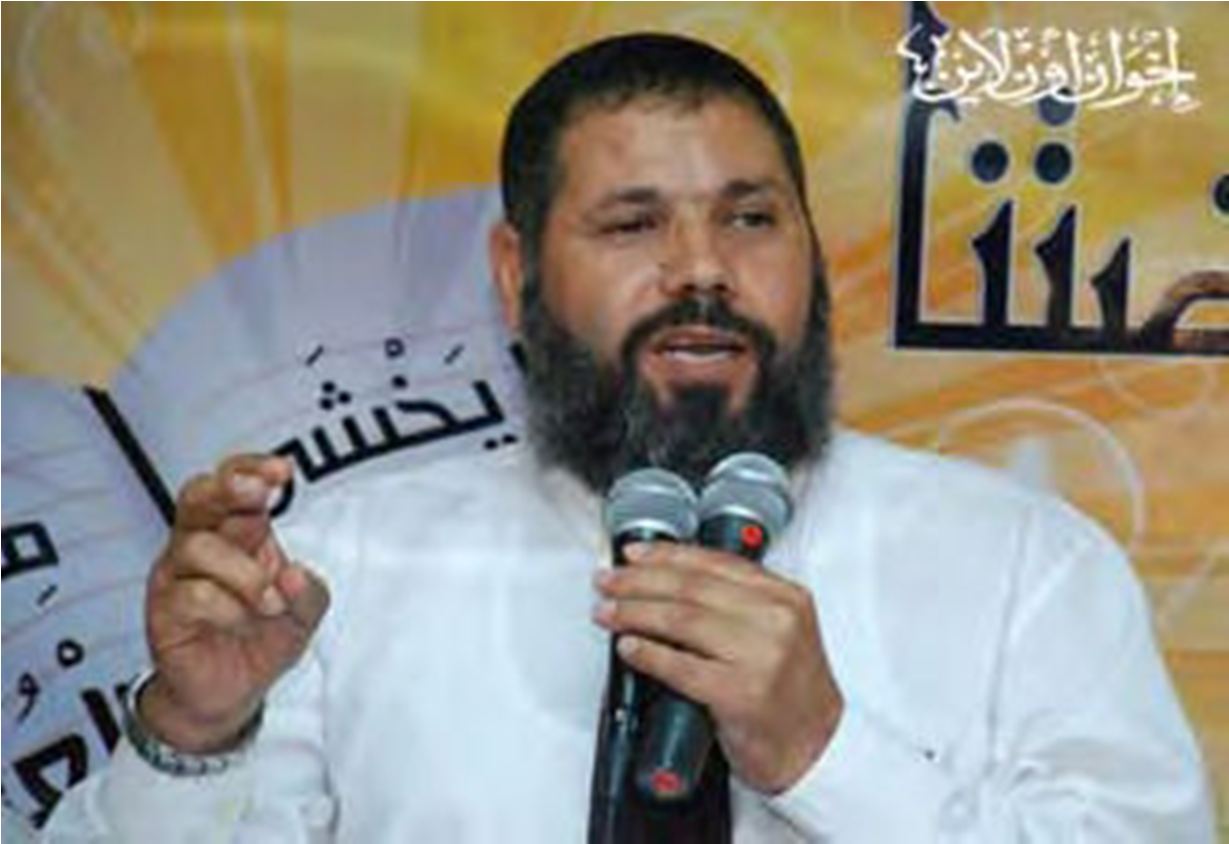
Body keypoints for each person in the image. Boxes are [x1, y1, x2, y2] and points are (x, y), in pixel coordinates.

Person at [43, 33, 1213, 842]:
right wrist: (193, 732)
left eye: (749, 218)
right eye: (631, 224)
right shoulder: (342, 569)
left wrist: (826, 754)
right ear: (516, 276)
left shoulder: (1022, 565)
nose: (702, 269)